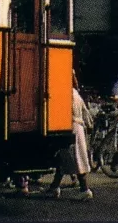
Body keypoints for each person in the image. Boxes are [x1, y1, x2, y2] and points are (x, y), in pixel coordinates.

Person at [46, 71, 93, 200]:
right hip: (78, 128)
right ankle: (54, 187)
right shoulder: (75, 93)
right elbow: (86, 114)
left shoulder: (64, 93)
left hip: (69, 128)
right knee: (67, 159)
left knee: (73, 159)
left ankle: (85, 189)